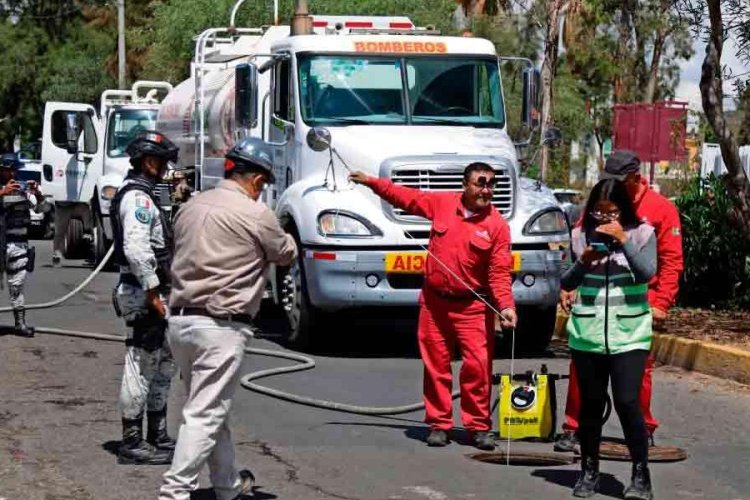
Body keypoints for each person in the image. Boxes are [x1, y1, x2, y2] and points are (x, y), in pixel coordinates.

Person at [159, 138, 297, 500]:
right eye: (263, 184)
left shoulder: (190, 207)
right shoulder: (255, 213)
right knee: (204, 414)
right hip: (220, 327)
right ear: (256, 181)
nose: (261, 190)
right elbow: (284, 253)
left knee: (208, 407)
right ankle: (174, 493)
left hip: (181, 322)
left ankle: (227, 485)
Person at [350, 163, 517, 451]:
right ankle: (439, 424)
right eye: (480, 183)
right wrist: (371, 182)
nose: (486, 190)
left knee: (478, 367)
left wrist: (506, 307)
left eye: (491, 184)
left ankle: (478, 426)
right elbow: (406, 197)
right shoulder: (442, 203)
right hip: (435, 303)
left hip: (473, 307)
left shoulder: (497, 226)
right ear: (465, 185)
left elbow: (499, 273)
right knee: (436, 366)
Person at [556, 150, 683, 452]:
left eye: (618, 182)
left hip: (637, 298)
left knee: (636, 377)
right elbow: (576, 251)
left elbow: (670, 260)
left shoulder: (660, 210)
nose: (610, 188)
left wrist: (662, 302)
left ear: (635, 178)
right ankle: (574, 427)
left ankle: (641, 429)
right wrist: (571, 286)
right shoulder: (597, 206)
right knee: (584, 371)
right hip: (594, 298)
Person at [561, 178, 657, 499]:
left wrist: (624, 240)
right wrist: (583, 261)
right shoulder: (578, 235)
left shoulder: (643, 232)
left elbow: (647, 273)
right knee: (590, 404)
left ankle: (640, 475)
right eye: (599, 214)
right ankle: (589, 471)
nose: (605, 220)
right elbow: (564, 279)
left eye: (612, 213)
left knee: (628, 402)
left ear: (623, 210)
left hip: (629, 333)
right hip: (588, 333)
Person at [111, 131, 179, 465]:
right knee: (141, 364)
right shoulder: (137, 199)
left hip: (156, 292)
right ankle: (132, 441)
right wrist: (153, 291)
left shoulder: (147, 196)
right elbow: (136, 250)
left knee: (163, 363)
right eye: (163, 162)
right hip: (142, 293)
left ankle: (157, 433)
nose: (166, 169)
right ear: (149, 162)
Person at [0, 153, 50, 336]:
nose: (12, 174)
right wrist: (2, 193)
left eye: (14, 170)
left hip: (18, 246)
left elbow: (43, 210)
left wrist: (38, 195)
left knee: (17, 286)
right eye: (8, 170)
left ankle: (19, 324)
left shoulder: (23, 190)